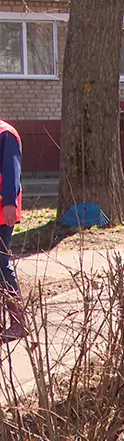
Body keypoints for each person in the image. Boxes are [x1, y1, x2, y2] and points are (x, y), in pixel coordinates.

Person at [0, 119, 24, 342]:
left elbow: (11, 171)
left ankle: (18, 322)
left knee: (1, 264)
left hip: (1, 212)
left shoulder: (5, 134)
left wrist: (9, 202)